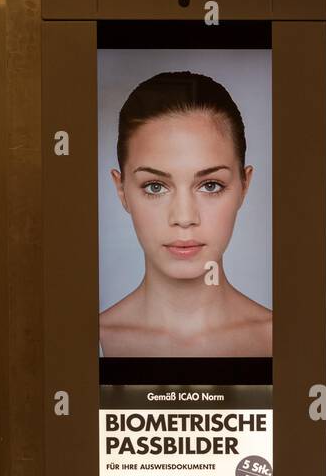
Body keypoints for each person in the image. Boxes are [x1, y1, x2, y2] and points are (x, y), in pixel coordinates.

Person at [100, 71, 271, 357]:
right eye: (155, 186)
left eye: (210, 185)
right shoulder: (88, 341)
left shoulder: (285, 339)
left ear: (244, 186)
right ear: (122, 191)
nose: (183, 217)